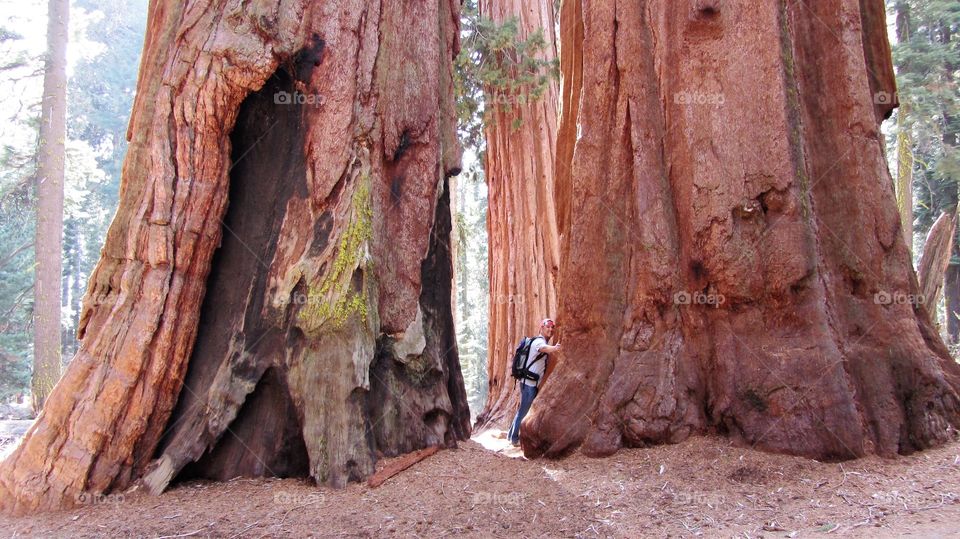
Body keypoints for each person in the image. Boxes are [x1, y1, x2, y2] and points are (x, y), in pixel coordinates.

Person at [508, 318, 561, 447]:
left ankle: (511, 435)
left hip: (530, 382)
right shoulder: (538, 341)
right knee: (524, 411)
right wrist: (555, 348)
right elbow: (543, 348)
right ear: (541, 328)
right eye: (547, 327)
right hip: (529, 384)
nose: (550, 329)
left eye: (552, 327)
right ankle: (514, 438)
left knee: (523, 409)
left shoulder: (541, 341)